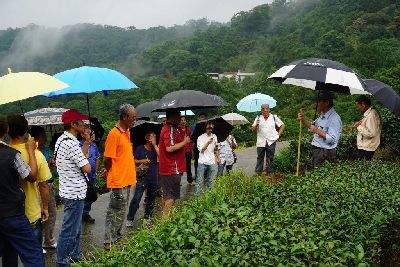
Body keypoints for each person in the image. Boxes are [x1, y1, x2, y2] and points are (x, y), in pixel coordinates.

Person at [0, 114, 44, 267]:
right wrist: (31, 150)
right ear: (6, 130)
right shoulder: (12, 155)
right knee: (33, 255)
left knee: (8, 254)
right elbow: (31, 176)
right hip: (13, 214)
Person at [8, 115, 51, 259]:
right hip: (31, 213)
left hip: (8, 214)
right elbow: (44, 185)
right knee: (34, 256)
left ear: (8, 131)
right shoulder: (36, 154)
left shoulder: (4, 152)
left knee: (9, 257)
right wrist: (45, 207)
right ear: (26, 131)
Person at [55, 109, 91, 267]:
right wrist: (86, 151)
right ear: (73, 124)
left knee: (75, 228)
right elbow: (87, 167)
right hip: (74, 192)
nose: (84, 125)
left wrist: (86, 143)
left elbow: (79, 160)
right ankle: (62, 261)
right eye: (81, 122)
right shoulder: (71, 144)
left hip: (68, 190)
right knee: (69, 230)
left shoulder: (61, 140)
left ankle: (76, 256)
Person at [103, 104, 137, 249]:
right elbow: (107, 158)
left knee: (122, 211)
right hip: (118, 180)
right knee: (114, 211)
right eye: (133, 118)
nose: (134, 120)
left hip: (127, 179)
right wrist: (110, 171)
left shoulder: (127, 132)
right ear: (124, 117)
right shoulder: (114, 134)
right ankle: (108, 241)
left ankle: (117, 237)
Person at [29, 126, 58, 250]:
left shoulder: (45, 150)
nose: (45, 138)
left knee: (52, 214)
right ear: (35, 138)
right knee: (40, 215)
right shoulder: (32, 153)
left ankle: (49, 240)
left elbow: (46, 168)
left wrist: (51, 163)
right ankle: (39, 243)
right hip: (40, 187)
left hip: (49, 184)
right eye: (42, 136)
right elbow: (34, 171)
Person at [158, 109, 191, 219]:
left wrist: (184, 139)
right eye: (179, 115)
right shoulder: (169, 129)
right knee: (170, 198)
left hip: (169, 169)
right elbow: (169, 148)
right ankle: (165, 224)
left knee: (167, 196)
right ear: (173, 117)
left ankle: (166, 219)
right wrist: (184, 142)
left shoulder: (174, 129)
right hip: (171, 168)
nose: (180, 118)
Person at [298, 90, 343, 168]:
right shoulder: (322, 115)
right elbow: (312, 127)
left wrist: (317, 131)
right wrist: (303, 119)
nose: (317, 104)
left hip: (325, 152)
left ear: (326, 103)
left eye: (319, 101)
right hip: (318, 150)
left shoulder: (334, 118)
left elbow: (332, 139)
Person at [126, 131, 159, 227]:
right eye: (151, 136)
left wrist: (155, 145)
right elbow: (133, 160)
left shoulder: (156, 149)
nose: (153, 138)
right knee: (136, 198)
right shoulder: (140, 148)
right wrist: (142, 161)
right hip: (142, 177)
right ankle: (130, 218)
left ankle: (147, 217)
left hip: (153, 177)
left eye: (154, 136)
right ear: (146, 138)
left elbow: (161, 157)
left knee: (151, 199)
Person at [252, 104, 285, 175]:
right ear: (261, 110)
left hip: (271, 141)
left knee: (270, 157)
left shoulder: (273, 117)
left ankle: (269, 173)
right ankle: (258, 173)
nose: (265, 110)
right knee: (260, 157)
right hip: (261, 141)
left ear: (269, 109)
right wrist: (256, 125)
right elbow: (253, 130)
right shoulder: (258, 118)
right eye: (263, 109)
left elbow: (282, 125)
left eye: (267, 108)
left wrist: (278, 135)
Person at [78, 125, 100, 224]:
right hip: (83, 176)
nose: (91, 134)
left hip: (92, 175)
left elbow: (97, 158)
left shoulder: (94, 145)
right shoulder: (78, 145)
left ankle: (86, 213)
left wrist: (96, 170)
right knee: (83, 195)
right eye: (88, 132)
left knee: (90, 195)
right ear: (82, 134)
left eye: (91, 132)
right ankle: (81, 214)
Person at [352, 95, 382, 160]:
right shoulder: (370, 113)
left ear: (363, 104)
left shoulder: (371, 115)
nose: (358, 108)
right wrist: (360, 123)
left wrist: (358, 126)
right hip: (366, 146)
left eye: (358, 106)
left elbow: (371, 133)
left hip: (367, 148)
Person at [196, 121, 220, 194]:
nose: (210, 129)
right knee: (200, 181)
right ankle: (198, 199)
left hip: (212, 161)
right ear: (205, 128)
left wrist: (218, 157)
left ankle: (209, 196)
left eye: (211, 128)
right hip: (202, 162)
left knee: (211, 180)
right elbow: (201, 150)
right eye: (209, 128)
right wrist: (207, 143)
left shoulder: (214, 136)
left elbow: (216, 148)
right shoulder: (200, 137)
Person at [192, 113, 207, 180]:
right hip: (197, 145)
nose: (202, 118)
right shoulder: (195, 125)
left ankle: (205, 175)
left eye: (203, 117)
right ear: (199, 118)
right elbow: (192, 135)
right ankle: (197, 175)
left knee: (205, 160)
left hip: (205, 145)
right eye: (201, 117)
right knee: (197, 161)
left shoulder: (207, 125)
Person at [179, 116, 194, 184]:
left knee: (188, 165)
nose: (183, 121)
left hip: (188, 150)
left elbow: (191, 139)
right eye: (181, 120)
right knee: (180, 165)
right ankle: (178, 180)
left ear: (186, 121)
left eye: (184, 120)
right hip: (180, 150)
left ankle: (190, 179)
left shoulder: (189, 130)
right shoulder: (177, 130)